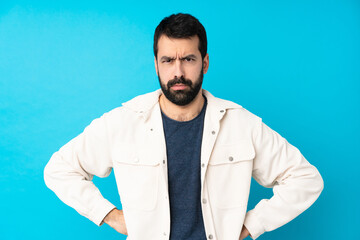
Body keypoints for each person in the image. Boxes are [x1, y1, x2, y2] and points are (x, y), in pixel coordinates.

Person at [44, 13, 324, 240]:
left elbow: (306, 179)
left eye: (188, 59)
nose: (178, 72)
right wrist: (111, 215)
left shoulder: (241, 124)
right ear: (156, 65)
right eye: (168, 60)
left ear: (205, 63)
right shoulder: (123, 122)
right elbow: (59, 170)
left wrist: (253, 224)